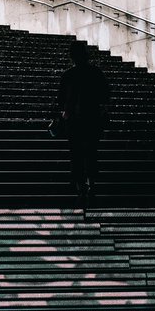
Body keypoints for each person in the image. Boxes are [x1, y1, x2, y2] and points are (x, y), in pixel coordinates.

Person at [56, 40, 110, 197]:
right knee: (91, 152)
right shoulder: (95, 73)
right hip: (92, 119)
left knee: (76, 153)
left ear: (72, 56)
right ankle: (92, 183)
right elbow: (105, 95)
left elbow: (61, 100)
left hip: (74, 121)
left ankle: (79, 184)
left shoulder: (68, 75)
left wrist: (64, 113)